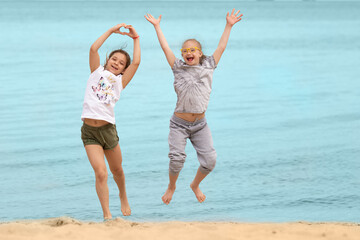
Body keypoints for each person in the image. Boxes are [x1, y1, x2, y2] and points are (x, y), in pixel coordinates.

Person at [145, 9, 243, 204]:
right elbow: (165, 48)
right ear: (182, 55)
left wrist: (229, 25)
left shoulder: (209, 65)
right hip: (179, 124)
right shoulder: (178, 68)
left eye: (192, 50)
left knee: (210, 161)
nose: (188, 52)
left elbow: (221, 47)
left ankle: (195, 185)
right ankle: (171, 186)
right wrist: (157, 27)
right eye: (185, 50)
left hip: (200, 125)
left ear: (200, 53)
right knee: (176, 159)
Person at [80, 24, 140, 220]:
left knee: (117, 171)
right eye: (114, 59)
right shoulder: (95, 72)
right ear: (108, 59)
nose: (116, 63)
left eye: (121, 63)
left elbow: (137, 62)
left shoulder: (120, 81)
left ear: (123, 69)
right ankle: (107, 215)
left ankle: (123, 195)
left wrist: (136, 38)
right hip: (89, 132)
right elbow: (93, 49)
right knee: (101, 173)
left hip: (108, 131)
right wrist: (110, 31)